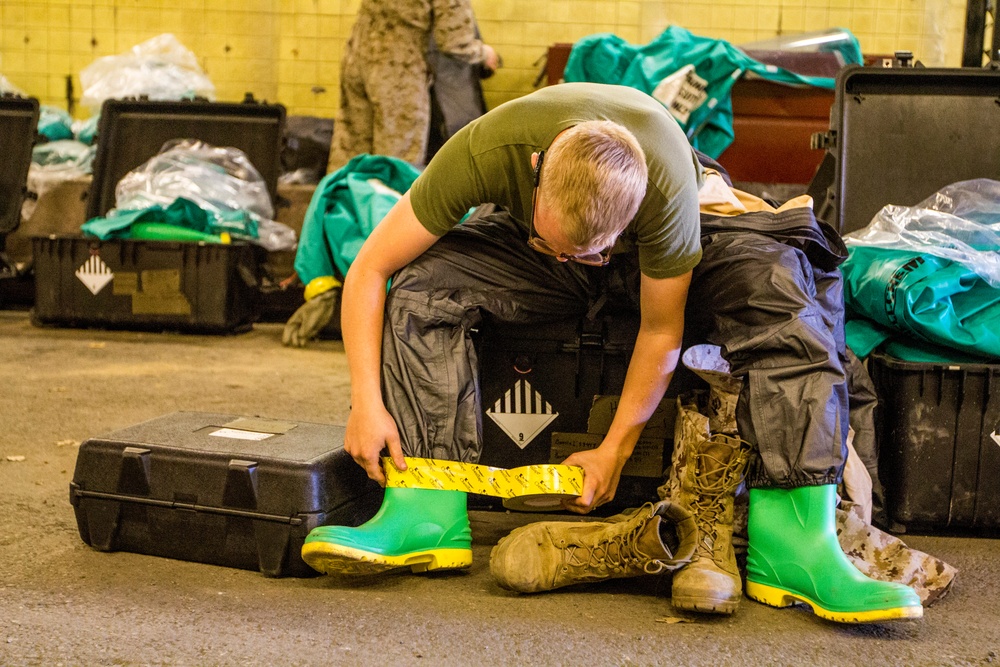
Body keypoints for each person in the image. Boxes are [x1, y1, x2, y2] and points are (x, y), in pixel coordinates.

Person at [301, 82, 923, 624]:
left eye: (588, 251)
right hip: (546, 250)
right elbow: (370, 270)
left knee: (783, 289)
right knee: (424, 282)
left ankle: (795, 549)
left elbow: (660, 330)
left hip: (652, 255)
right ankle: (424, 511)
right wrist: (366, 402)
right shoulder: (484, 151)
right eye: (559, 245)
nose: (576, 263)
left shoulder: (668, 188)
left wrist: (612, 451)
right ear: (536, 169)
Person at [327, 0, 500, 171]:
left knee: (351, 154)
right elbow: (453, 42)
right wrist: (485, 54)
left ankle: (339, 198)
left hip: (358, 55)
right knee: (396, 164)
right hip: (399, 70)